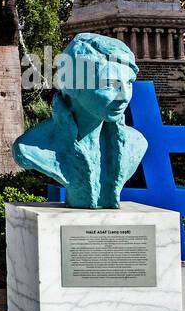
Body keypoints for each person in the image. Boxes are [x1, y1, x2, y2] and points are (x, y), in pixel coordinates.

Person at [13, 33, 147, 209]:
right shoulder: (31, 147)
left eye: (128, 83)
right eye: (109, 85)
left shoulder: (136, 143)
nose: (124, 97)